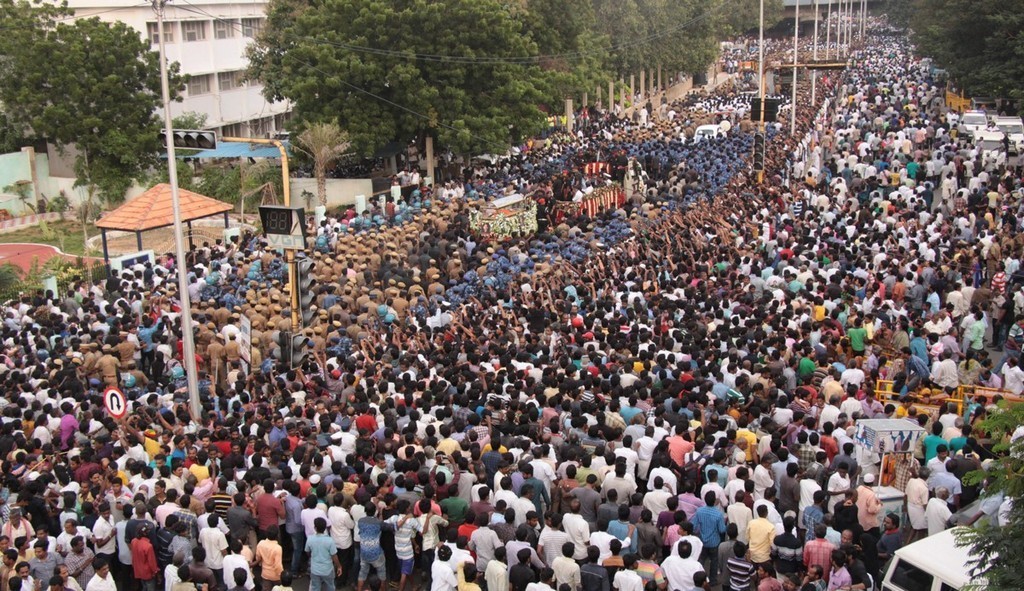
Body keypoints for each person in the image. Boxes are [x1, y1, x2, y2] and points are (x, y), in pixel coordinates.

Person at [305, 518, 343, 591]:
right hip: (327, 570)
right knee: (330, 586)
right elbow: (334, 556)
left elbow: (307, 551)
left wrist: (312, 556)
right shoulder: (330, 540)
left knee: (315, 587)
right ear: (325, 528)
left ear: (315, 528)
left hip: (314, 569)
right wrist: (339, 566)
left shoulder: (310, 539)